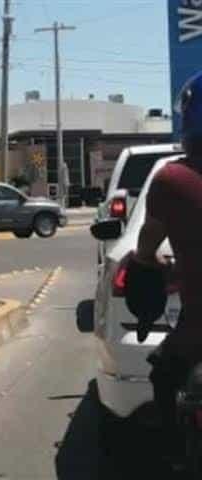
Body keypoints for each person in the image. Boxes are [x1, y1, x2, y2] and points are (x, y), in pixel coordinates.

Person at [135, 71, 202, 461]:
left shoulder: (172, 179)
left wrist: (150, 260)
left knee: (163, 373)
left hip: (197, 328)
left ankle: (174, 453)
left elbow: (146, 245)